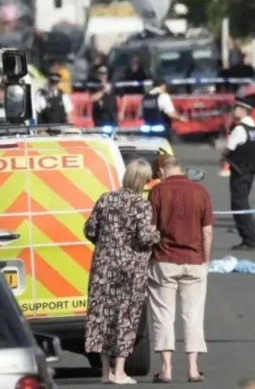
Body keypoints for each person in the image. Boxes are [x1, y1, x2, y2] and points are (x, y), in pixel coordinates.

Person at [83, 158, 160, 384]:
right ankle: (120, 372)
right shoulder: (141, 205)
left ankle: (106, 372)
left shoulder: (105, 199)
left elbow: (89, 229)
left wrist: (106, 244)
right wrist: (159, 234)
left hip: (103, 268)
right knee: (125, 317)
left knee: (103, 317)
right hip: (131, 269)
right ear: (143, 180)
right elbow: (145, 237)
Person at [147, 155, 214, 383]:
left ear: (163, 170)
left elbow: (151, 229)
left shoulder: (158, 192)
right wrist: (206, 260)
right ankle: (193, 369)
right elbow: (207, 231)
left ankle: (166, 370)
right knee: (193, 315)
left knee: (163, 315)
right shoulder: (201, 191)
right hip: (194, 261)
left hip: (164, 260)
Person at [221, 97, 255, 250]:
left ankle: (249, 239)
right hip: (250, 171)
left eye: (235, 108)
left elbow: (228, 149)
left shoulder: (240, 129)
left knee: (239, 205)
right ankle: (248, 239)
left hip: (239, 171)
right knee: (243, 203)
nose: (233, 111)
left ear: (243, 110)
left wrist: (223, 154)